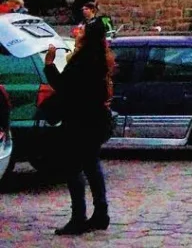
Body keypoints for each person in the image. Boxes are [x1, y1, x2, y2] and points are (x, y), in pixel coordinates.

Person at [43, 17, 114, 235]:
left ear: (88, 36)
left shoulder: (83, 59)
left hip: (80, 122)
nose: (78, 31)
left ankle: (78, 218)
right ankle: (101, 213)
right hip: (97, 120)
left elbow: (64, 86)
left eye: (82, 29)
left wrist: (49, 64)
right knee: (92, 166)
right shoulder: (101, 57)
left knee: (73, 168)